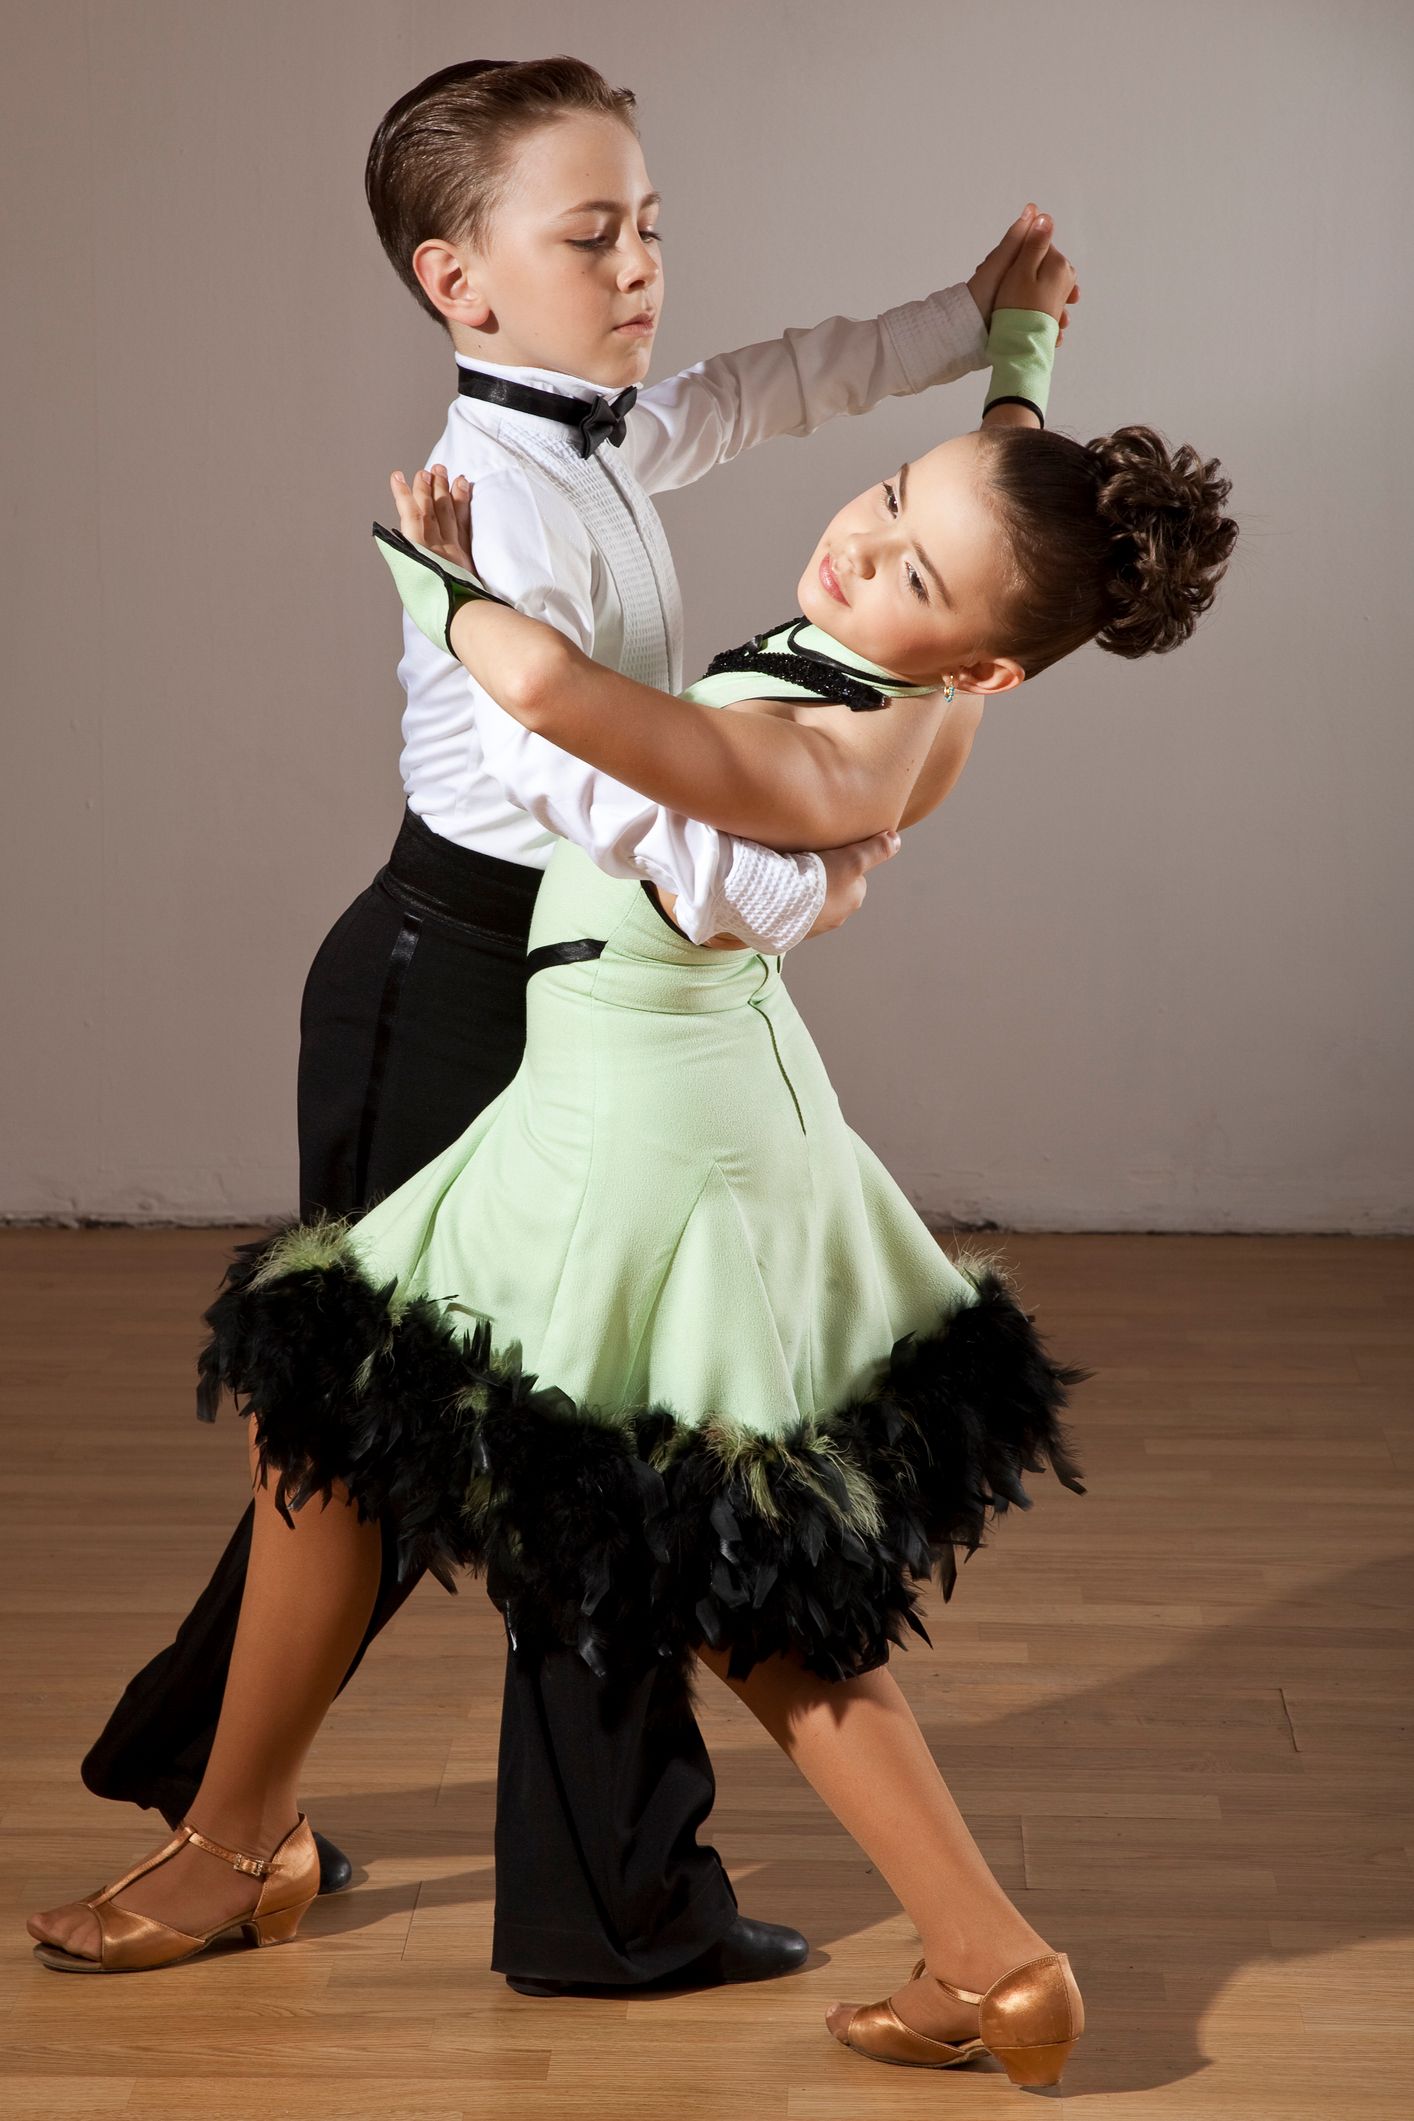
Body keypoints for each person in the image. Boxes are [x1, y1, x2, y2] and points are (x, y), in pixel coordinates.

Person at [32, 226, 1237, 2088]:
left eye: (910, 565)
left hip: (644, 1143)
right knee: (344, 1426)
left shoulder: (820, 751)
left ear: (987, 667)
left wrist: (449, 601)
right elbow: (1006, 493)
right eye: (886, 495)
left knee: (714, 1571)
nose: (858, 541)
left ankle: (990, 1947)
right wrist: (1013, 357)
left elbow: (589, 726)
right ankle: (232, 1832)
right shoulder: (945, 634)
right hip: (650, 1094)